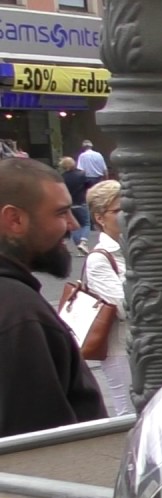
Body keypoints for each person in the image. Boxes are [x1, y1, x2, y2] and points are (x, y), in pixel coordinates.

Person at [0, 157, 106, 438]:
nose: (72, 224)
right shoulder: (19, 313)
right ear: (15, 220)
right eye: (61, 213)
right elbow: (39, 446)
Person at [83, 181, 133, 417]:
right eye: (118, 211)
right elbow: (124, 307)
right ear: (100, 218)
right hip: (120, 348)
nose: (127, 216)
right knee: (129, 412)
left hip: (148, 344)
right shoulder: (100, 259)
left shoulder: (136, 247)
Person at [59, 156, 91, 254]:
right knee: (86, 223)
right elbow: (88, 186)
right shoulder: (81, 174)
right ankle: (83, 241)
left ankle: (79, 246)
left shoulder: (62, 177)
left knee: (74, 226)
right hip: (81, 202)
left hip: (69, 203)